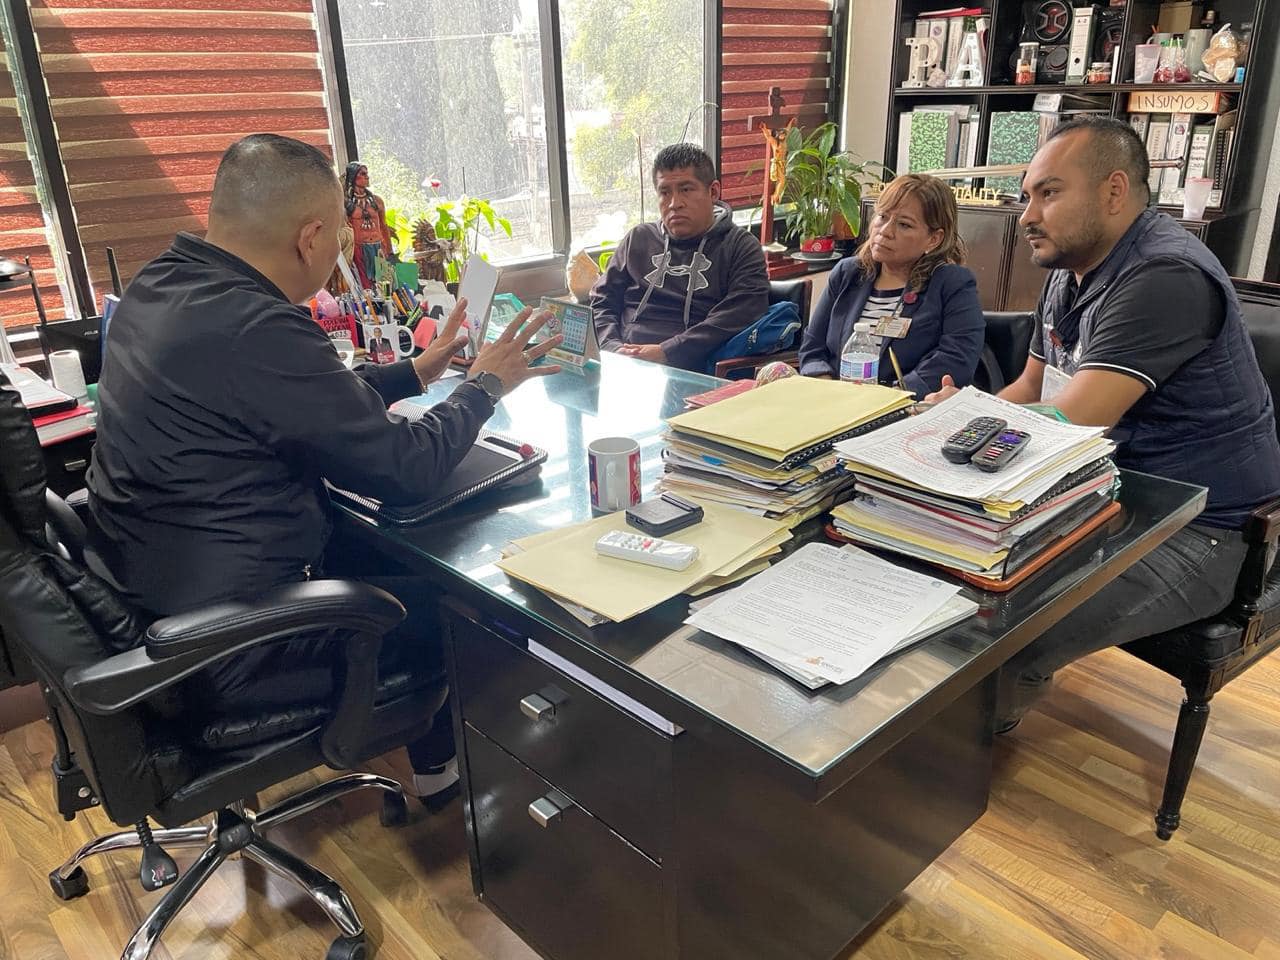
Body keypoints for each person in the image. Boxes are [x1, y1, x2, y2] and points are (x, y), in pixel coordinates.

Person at [86, 134, 562, 806]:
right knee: (468, 606)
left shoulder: (162, 284)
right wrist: (483, 387)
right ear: (311, 238)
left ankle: (435, 766)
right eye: (340, 235)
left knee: (387, 551)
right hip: (237, 640)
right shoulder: (258, 325)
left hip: (159, 600)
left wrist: (414, 372)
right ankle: (508, 798)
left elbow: (286, 396)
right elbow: (408, 468)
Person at [925, 116, 1280, 731]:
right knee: (951, 570)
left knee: (1004, 633)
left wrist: (967, 421)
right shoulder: (1070, 272)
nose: (1027, 215)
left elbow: (1070, 420)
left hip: (1204, 530)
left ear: (1114, 191)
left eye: (1049, 193)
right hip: (1115, 496)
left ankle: (960, 752)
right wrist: (961, 420)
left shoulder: (1165, 277)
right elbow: (1031, 388)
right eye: (1027, 195)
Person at [798, 173, 984, 397]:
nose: (885, 231)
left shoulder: (952, 283)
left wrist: (890, 397)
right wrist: (827, 388)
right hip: (835, 399)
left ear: (934, 239)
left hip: (906, 405)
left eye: (904, 225)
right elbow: (813, 346)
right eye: (882, 216)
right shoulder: (848, 273)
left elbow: (956, 358)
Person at [590, 143, 769, 372]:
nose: (675, 204)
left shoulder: (740, 246)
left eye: (686, 189)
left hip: (693, 368)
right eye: (665, 192)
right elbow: (602, 301)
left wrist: (667, 352)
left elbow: (740, 313)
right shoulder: (638, 239)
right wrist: (611, 347)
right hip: (623, 364)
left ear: (713, 192)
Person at [343, 161, 393, 289]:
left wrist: (389, 250)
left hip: (378, 248)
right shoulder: (346, 204)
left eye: (367, 173)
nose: (367, 177)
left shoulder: (377, 201)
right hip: (359, 250)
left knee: (385, 285)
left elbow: (384, 226)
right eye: (363, 174)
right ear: (353, 176)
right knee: (365, 286)